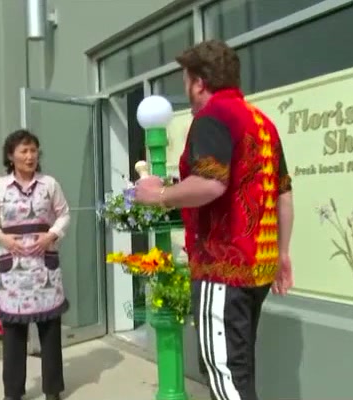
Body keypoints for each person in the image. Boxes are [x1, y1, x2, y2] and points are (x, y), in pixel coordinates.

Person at [134, 39, 294, 400]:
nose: (186, 90)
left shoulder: (212, 117)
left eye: (186, 80)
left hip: (222, 269)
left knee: (224, 375)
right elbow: (283, 193)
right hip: (258, 265)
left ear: (199, 82)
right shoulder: (263, 123)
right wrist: (282, 253)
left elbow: (210, 183)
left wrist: (158, 195)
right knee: (239, 369)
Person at [0, 129, 70, 400]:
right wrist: (2, 238)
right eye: (24, 151)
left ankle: (52, 390)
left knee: (50, 331)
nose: (30, 156)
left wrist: (52, 235)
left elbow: (64, 215)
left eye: (33, 151)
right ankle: (13, 392)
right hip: (13, 269)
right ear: (11, 156)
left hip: (45, 266)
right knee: (14, 334)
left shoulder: (49, 184)